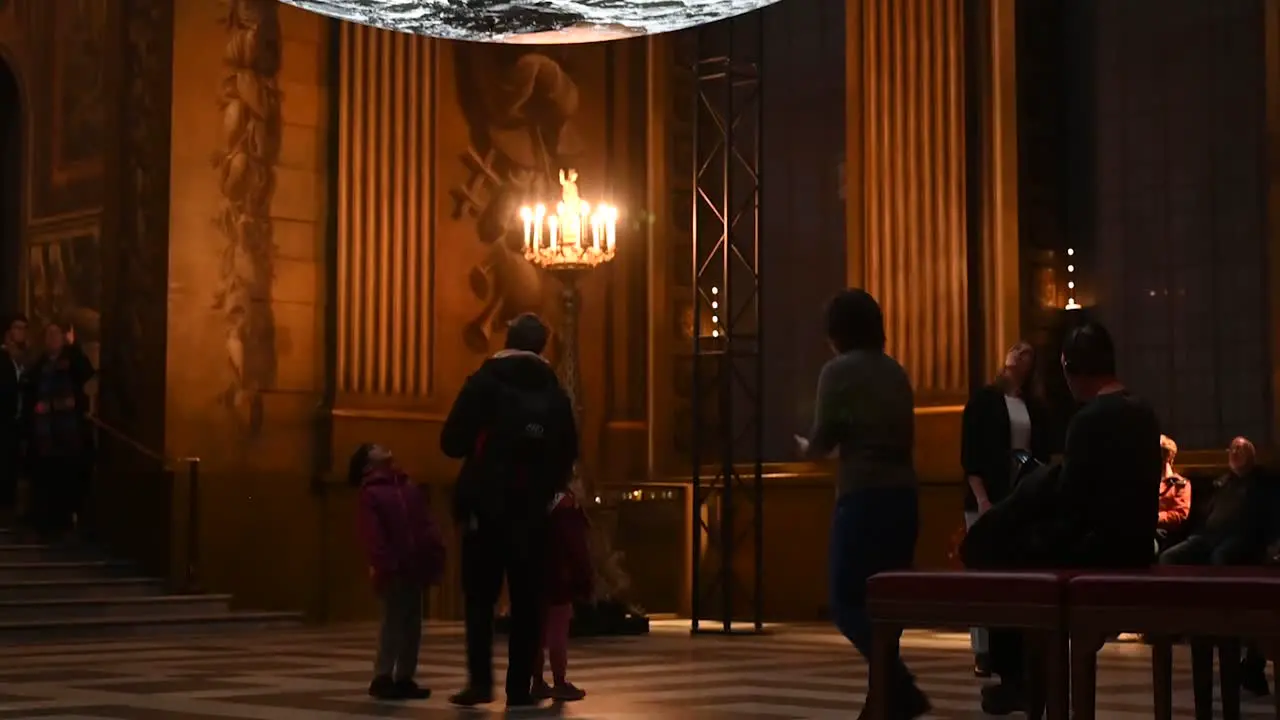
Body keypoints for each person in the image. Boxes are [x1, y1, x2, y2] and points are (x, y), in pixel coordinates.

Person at [971, 321, 1162, 715]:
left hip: (1101, 551)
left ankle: (1020, 680)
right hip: (1139, 546)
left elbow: (1070, 504)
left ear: (1070, 369)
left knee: (1007, 553)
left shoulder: (1089, 419)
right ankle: (1026, 679)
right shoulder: (1144, 412)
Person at [795, 289, 930, 720]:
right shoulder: (896, 371)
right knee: (888, 604)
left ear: (836, 331)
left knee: (847, 600)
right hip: (904, 496)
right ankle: (884, 698)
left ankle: (899, 688)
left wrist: (808, 448)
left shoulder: (837, 371)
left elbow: (824, 438)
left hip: (863, 496)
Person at [440, 312, 578, 708]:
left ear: (508, 338)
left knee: (480, 598)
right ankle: (520, 689)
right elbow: (568, 450)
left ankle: (480, 684)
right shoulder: (554, 392)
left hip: (484, 507)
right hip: (532, 511)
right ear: (541, 347)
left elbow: (450, 441)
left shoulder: (484, 381)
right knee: (528, 598)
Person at [959, 340, 1052, 677]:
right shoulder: (984, 400)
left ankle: (1015, 650)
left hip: (1021, 495)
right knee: (983, 577)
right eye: (1016, 349)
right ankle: (983, 650)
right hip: (988, 494)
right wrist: (982, 498)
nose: (1020, 355)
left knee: (1014, 574)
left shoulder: (1034, 405)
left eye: (1028, 352)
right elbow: (971, 453)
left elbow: (1042, 452)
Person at [351, 443, 445, 701]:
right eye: (374, 448)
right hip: (393, 567)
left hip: (415, 566)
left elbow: (425, 523)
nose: (383, 447)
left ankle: (404, 676)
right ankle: (382, 676)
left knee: (413, 623)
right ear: (368, 463)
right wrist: (384, 563)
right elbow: (373, 534)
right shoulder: (372, 492)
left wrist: (434, 551)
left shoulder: (407, 487)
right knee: (393, 621)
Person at [24, 321, 95, 543]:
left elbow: (86, 374)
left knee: (68, 480)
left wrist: (74, 347)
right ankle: (44, 525)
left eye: (56, 334)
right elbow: (30, 394)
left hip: (68, 433)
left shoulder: (72, 361)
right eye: (49, 335)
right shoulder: (39, 366)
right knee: (45, 480)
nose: (52, 339)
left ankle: (66, 524)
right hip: (45, 434)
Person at [1159, 437, 1272, 567]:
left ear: (1251, 456)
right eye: (1232, 449)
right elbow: (1205, 513)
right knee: (1168, 557)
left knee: (1219, 556)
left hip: (1238, 536)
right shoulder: (1221, 483)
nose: (1234, 453)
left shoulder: (1261, 483)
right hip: (1208, 535)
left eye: (1239, 449)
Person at [531, 476, 592, 702]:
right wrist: (583, 576)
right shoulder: (564, 506)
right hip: (559, 575)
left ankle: (536, 679)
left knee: (536, 629)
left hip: (532, 572)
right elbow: (575, 545)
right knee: (558, 628)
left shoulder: (531, 498)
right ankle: (559, 680)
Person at [0, 313, 27, 526]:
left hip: (19, 421)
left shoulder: (25, 359)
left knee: (14, 464)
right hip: (4, 419)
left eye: (24, 328)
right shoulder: (2, 358)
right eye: (17, 327)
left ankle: (11, 508)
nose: (21, 332)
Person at [1155, 434, 1191, 550]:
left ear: (1169, 456)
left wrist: (1154, 517)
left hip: (1163, 533)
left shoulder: (1179, 484)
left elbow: (1180, 514)